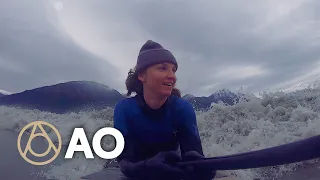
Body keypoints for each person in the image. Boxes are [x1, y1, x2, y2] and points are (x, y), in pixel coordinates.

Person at [113, 40, 216, 180]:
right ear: (142, 76)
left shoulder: (182, 109)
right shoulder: (124, 109)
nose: (172, 76)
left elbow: (192, 156)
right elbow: (125, 163)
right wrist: (147, 167)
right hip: (133, 171)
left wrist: (200, 169)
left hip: (169, 168)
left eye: (173, 70)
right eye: (162, 68)